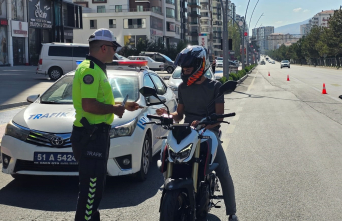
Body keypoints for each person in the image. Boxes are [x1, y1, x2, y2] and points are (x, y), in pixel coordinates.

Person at [156, 46, 238, 221]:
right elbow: (179, 114)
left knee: (223, 170)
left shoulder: (215, 86)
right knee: (170, 155)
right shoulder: (183, 88)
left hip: (209, 131)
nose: (185, 71)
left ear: (200, 66)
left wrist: (205, 123)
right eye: (183, 68)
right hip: (188, 131)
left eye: (188, 68)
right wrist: (167, 116)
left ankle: (232, 212)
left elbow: (218, 117)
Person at [70, 28, 140, 221]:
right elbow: (89, 104)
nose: (114, 51)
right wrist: (114, 110)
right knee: (90, 193)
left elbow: (98, 100)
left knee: (94, 190)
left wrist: (122, 105)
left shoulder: (96, 68)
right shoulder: (90, 70)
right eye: (113, 47)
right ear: (103, 47)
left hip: (94, 135)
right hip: (91, 136)